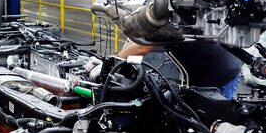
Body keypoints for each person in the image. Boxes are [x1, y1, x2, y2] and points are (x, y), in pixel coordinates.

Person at [92, 39, 243, 99]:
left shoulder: (165, 13)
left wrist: (112, 63)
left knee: (217, 129)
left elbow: (142, 46)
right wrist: (112, 59)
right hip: (207, 67)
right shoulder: (153, 14)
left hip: (221, 72)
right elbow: (136, 39)